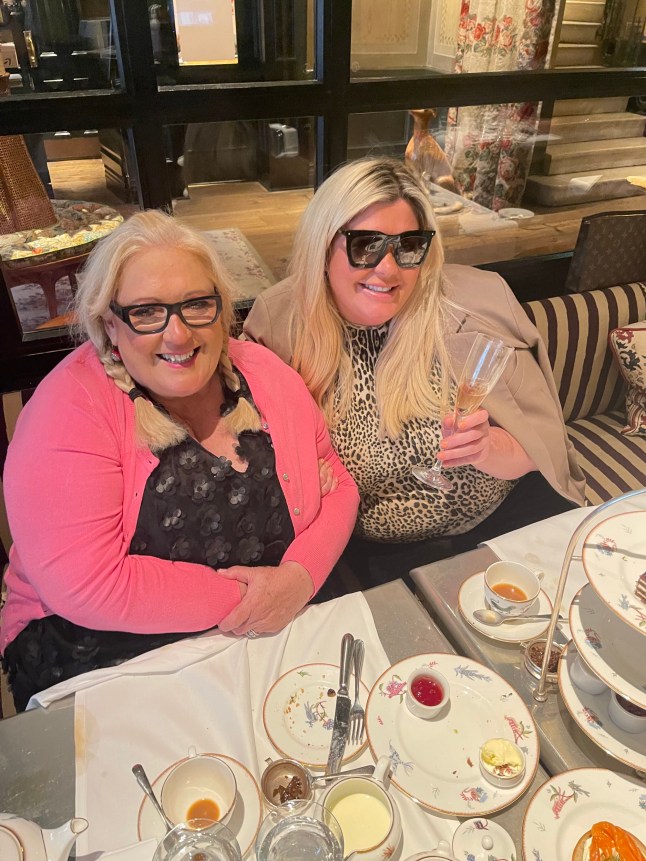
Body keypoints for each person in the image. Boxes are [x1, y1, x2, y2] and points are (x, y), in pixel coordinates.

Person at [0, 210, 358, 711]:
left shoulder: (263, 373)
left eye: (196, 304)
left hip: (256, 636)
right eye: (146, 312)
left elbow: (339, 484)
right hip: (101, 653)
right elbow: (87, 585)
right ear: (110, 322)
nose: (178, 335)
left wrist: (298, 577)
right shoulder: (71, 407)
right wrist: (256, 600)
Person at [243, 157, 586, 588]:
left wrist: (487, 448)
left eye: (407, 246)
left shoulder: (476, 303)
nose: (387, 269)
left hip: (501, 524)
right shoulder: (280, 326)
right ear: (323, 246)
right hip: (372, 557)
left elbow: (542, 447)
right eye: (365, 244)